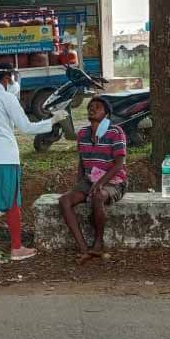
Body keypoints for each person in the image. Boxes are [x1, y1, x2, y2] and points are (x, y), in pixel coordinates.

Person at [0, 63, 68, 262]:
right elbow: (27, 127)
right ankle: (16, 248)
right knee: (12, 202)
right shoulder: (7, 98)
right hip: (5, 157)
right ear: (7, 79)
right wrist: (52, 121)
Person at [59, 96, 127, 263]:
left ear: (106, 114)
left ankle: (98, 243)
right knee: (64, 201)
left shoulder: (116, 132)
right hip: (89, 180)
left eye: (97, 107)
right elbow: (82, 163)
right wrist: (79, 185)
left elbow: (119, 165)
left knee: (98, 196)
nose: (92, 108)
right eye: (90, 106)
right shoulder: (82, 133)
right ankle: (83, 249)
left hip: (114, 181)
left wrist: (100, 183)